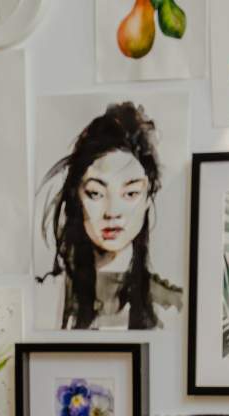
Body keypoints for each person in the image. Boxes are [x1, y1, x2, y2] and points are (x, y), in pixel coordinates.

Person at [36, 100, 183, 330]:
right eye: (96, 193)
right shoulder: (46, 298)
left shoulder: (172, 306)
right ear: (77, 196)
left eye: (131, 193)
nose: (113, 212)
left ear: (148, 197)